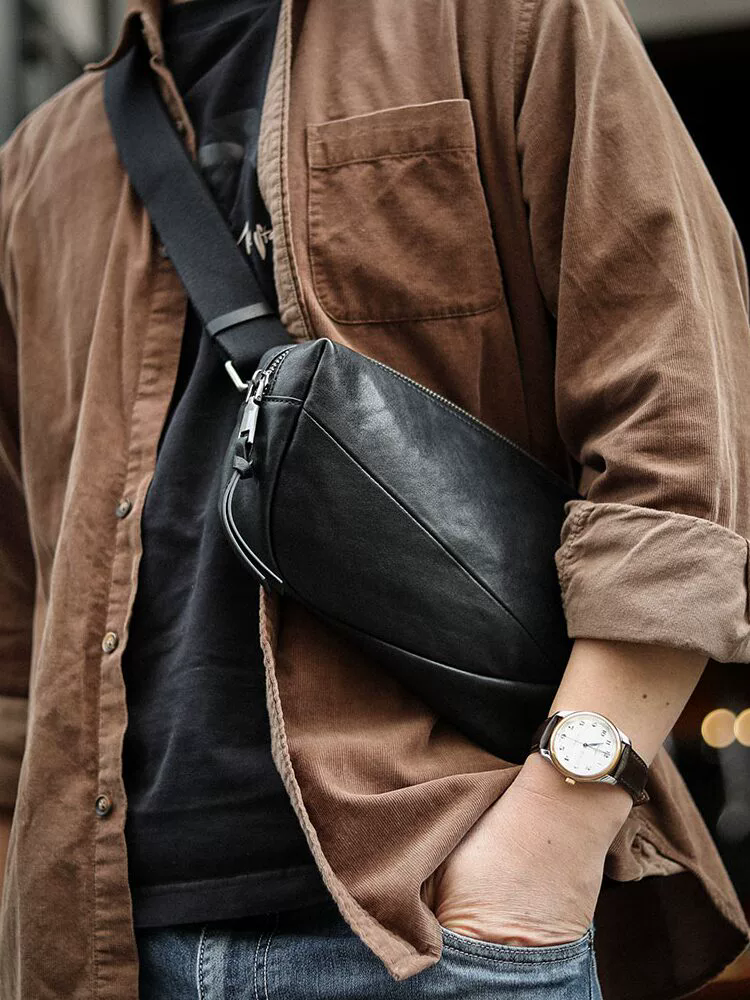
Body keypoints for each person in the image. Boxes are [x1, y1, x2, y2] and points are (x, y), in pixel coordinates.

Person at [1, 0, 750, 997]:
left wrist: (550, 839)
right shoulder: (36, 168)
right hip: (104, 947)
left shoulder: (503, 21)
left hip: (438, 920)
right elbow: (16, 602)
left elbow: (679, 431)